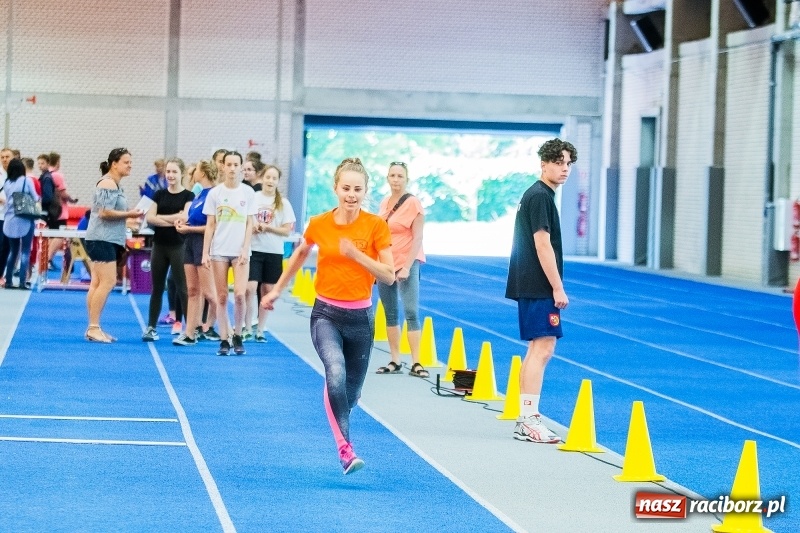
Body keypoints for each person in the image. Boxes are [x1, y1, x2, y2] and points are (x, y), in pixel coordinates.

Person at [261, 157, 394, 475]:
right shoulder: (320, 223)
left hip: (361, 317)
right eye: (346, 188)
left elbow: (389, 276)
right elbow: (299, 254)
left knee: (350, 393)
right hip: (326, 314)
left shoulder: (376, 226)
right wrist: (278, 289)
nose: (351, 194)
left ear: (365, 192)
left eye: (357, 189)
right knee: (334, 372)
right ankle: (346, 450)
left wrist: (357, 255)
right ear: (335, 188)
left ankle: (342, 425)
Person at [505, 138, 577, 444]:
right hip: (538, 284)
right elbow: (541, 243)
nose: (564, 169)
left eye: (568, 164)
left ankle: (527, 417)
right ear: (543, 164)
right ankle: (530, 419)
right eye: (558, 163)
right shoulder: (540, 197)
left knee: (538, 348)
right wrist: (557, 287)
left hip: (532, 282)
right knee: (543, 348)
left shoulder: (540, 195)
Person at [375, 162, 428, 378]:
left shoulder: (413, 203)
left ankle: (416, 362)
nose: (396, 179)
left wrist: (406, 266)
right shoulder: (384, 202)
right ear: (387, 178)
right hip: (386, 262)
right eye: (392, 175)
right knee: (390, 313)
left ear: (407, 179)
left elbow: (418, 237)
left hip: (407, 262)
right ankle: (395, 359)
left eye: (400, 176)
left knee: (411, 312)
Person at [84, 148, 142, 343]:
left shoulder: (115, 184)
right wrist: (130, 214)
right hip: (101, 239)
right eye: (126, 162)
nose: (130, 165)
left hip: (105, 237)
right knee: (107, 282)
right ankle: (93, 327)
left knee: (97, 283)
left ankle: (93, 326)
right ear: (114, 164)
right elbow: (104, 213)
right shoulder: (108, 182)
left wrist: (129, 221)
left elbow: (110, 215)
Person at [202, 151, 256, 356]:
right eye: (229, 164)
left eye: (236, 164)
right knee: (222, 296)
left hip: (241, 251)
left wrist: (245, 247)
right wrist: (205, 253)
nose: (232, 168)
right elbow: (210, 225)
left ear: (241, 167)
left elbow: (250, 222)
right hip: (219, 251)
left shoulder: (248, 193)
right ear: (223, 167)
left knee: (240, 294)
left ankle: (238, 335)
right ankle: (224, 339)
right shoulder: (215, 193)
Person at [141, 159, 194, 342]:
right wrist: (173, 219)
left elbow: (185, 217)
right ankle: (151, 327)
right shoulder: (159, 194)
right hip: (159, 245)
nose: (170, 175)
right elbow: (150, 218)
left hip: (178, 246)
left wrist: (161, 218)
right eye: (168, 172)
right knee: (157, 287)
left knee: (182, 289)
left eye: (174, 172)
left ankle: (189, 330)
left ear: (182, 174)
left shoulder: (188, 196)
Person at [247, 164, 295, 342]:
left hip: (273, 251)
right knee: (249, 289)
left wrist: (268, 227)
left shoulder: (283, 203)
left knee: (267, 291)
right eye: (268, 177)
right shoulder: (254, 198)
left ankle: (260, 328)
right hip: (254, 249)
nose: (270, 181)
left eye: (274, 178)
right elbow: (246, 221)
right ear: (262, 178)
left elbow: (286, 231)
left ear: (278, 182)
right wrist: (254, 227)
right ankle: (246, 326)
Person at [173, 160, 218, 346]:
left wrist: (189, 229)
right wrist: (183, 224)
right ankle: (190, 332)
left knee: (210, 293)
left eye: (197, 170)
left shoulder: (214, 195)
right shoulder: (199, 194)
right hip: (190, 243)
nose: (194, 173)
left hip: (202, 243)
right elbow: (193, 218)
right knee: (192, 290)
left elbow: (211, 226)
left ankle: (226, 329)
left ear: (204, 173)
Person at [1, 159, 39, 289]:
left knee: (13, 252)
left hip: (9, 220)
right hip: (24, 219)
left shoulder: (7, 183)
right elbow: (35, 197)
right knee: (25, 251)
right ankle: (22, 281)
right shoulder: (26, 181)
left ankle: (9, 281)